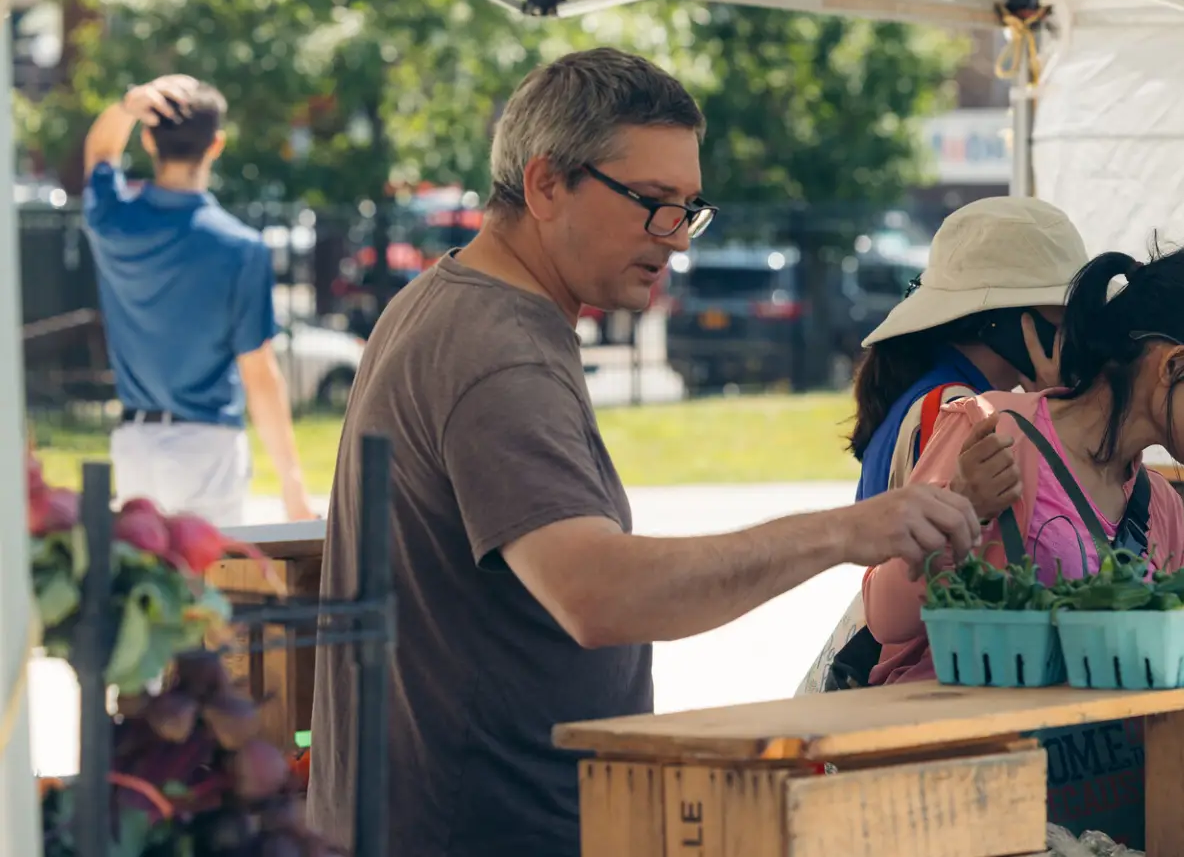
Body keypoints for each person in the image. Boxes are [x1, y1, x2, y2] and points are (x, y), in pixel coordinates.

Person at [307, 49, 984, 857]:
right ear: (545, 182)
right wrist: (846, 532)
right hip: (486, 825)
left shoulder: (449, 299)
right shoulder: (500, 352)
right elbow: (598, 593)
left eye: (689, 208)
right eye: (653, 203)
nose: (677, 239)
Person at [864, 243, 1184, 849]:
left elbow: (1181, 704)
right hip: (963, 800)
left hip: (1096, 820)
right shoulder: (995, 431)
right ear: (1174, 364)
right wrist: (966, 511)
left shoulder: (1160, 508)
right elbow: (884, 615)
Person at [798, 196, 1088, 693]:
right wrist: (1054, 409)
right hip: (931, 678)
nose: (1075, 337)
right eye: (1061, 320)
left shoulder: (921, 389)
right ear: (1005, 318)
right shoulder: (963, 411)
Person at [80, 75, 313, 526]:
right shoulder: (241, 248)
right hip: (208, 449)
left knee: (144, 588)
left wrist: (128, 106)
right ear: (217, 144)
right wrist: (292, 484)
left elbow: (101, 153)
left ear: (149, 139)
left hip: (135, 445)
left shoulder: (113, 222)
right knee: (206, 589)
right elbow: (259, 373)